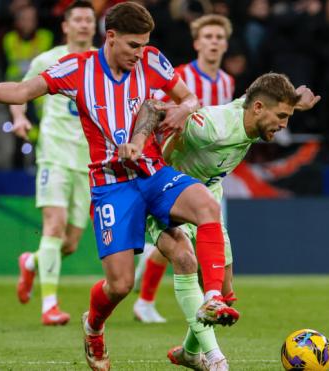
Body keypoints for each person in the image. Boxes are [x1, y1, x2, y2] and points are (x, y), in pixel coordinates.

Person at [0, 3, 237, 370]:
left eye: (144, 45)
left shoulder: (152, 60)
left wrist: (185, 108)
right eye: (133, 45)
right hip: (111, 184)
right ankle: (93, 326)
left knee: (206, 207)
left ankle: (213, 296)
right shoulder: (78, 68)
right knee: (119, 286)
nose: (140, 53)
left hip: (153, 172)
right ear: (112, 36)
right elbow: (23, 91)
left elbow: (188, 97)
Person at [121, 72, 320, 370]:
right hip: (168, 189)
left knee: (225, 294)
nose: (283, 125)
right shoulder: (212, 127)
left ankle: (190, 352)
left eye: (287, 117)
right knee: (186, 260)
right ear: (258, 110)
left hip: (207, 194)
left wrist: (295, 103)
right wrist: (145, 144)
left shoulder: (251, 111)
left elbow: (258, 90)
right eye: (281, 116)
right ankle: (215, 359)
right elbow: (158, 111)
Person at [133, 13, 234, 324]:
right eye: (208, 37)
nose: (213, 42)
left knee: (205, 241)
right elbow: (155, 112)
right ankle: (147, 299)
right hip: (176, 167)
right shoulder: (179, 77)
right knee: (178, 238)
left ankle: (213, 299)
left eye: (219, 37)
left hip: (211, 175)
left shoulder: (228, 82)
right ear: (197, 43)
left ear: (225, 44)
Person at [10, 0, 96, 326]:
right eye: (78, 19)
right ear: (66, 26)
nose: (84, 25)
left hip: (88, 162)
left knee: (70, 243)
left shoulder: (101, 62)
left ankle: (31, 263)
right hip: (54, 154)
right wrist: (19, 119)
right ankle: (49, 306)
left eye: (89, 20)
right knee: (54, 226)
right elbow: (20, 92)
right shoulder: (48, 59)